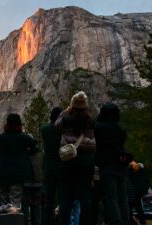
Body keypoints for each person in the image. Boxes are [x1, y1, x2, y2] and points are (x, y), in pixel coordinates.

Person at [55, 91, 96, 225]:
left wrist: (66, 111)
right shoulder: (90, 121)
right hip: (86, 161)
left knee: (66, 196)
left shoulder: (65, 120)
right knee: (86, 197)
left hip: (69, 160)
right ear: (85, 107)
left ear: (72, 106)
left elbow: (56, 125)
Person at [95, 102, 129, 225]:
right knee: (122, 197)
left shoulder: (98, 129)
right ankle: (125, 221)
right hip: (121, 166)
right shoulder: (121, 130)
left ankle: (116, 222)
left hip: (107, 167)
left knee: (111, 197)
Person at [0, 113, 38, 208]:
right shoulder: (23, 137)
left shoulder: (2, 137)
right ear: (19, 124)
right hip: (17, 175)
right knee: (14, 204)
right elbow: (34, 143)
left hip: (3, 173)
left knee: (3, 204)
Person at [41, 107, 63, 225]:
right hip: (62, 167)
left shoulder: (45, 130)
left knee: (49, 201)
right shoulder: (64, 130)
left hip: (49, 168)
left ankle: (47, 222)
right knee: (63, 199)